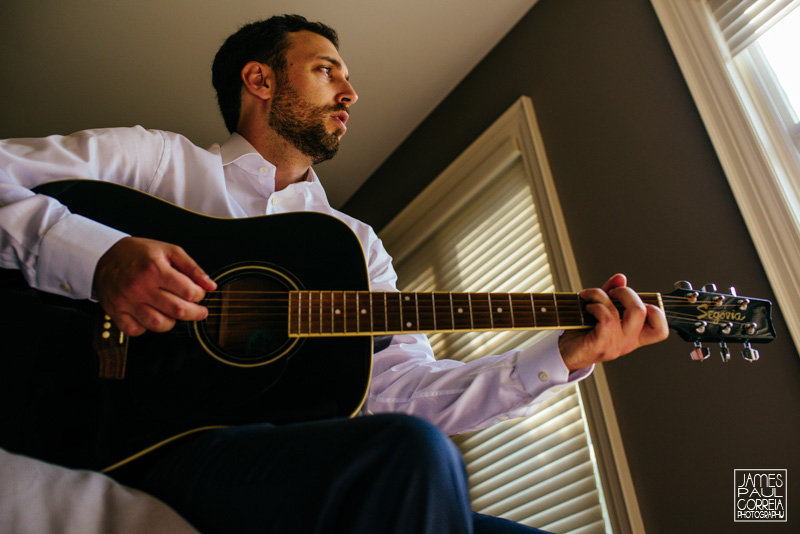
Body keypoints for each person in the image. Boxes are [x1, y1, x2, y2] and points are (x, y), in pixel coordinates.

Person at [0, 14, 668, 533]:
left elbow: (401, 393)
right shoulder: (154, 163)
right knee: (407, 457)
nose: (351, 92)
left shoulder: (352, 245)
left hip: (276, 464)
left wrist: (560, 355)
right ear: (260, 81)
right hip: (131, 432)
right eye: (326, 70)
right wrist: (99, 259)